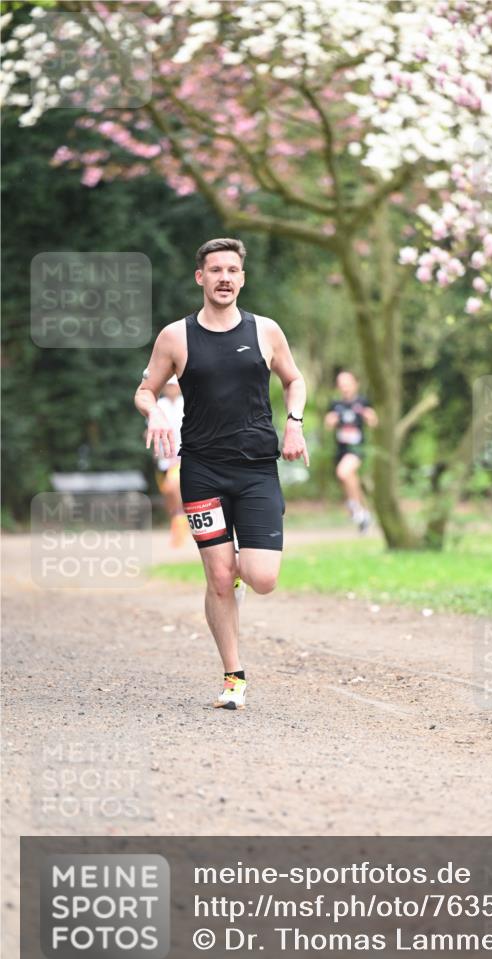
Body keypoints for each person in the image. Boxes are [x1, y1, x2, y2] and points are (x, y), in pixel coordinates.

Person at [134, 237, 308, 710]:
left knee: (262, 577)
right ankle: (234, 676)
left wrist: (294, 424)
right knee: (217, 576)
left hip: (256, 471)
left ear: (242, 278)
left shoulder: (266, 331)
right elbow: (146, 390)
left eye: (232, 270)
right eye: (215, 270)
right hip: (203, 471)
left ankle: (234, 576)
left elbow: (294, 380)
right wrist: (152, 413)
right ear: (201, 278)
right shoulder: (176, 336)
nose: (225, 277)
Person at [325, 370, 377, 532]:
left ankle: (354, 506)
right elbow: (328, 425)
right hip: (341, 449)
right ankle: (364, 514)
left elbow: (374, 422)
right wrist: (331, 420)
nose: (344, 387)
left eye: (347, 383)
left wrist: (369, 416)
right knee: (349, 478)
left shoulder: (363, 402)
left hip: (356, 449)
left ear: (356, 384)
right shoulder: (335, 405)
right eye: (341, 384)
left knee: (343, 472)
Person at [152, 375, 188, 547]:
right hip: (165, 458)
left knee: (175, 487)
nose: (171, 389)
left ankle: (181, 526)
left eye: (174, 386)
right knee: (169, 492)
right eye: (169, 386)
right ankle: (177, 525)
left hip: (184, 455)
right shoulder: (160, 406)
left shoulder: (186, 403)